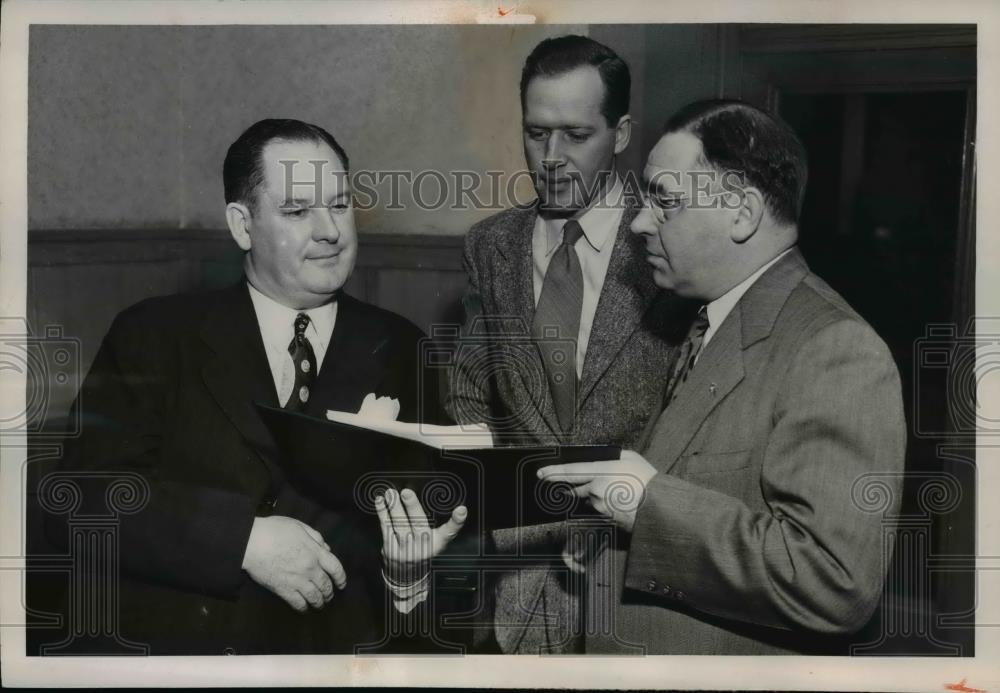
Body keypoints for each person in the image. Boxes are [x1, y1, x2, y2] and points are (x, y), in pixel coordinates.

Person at [44, 118, 463, 655]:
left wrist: (407, 577)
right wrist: (240, 539)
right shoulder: (154, 333)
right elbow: (78, 501)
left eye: (339, 204)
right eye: (296, 211)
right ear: (243, 226)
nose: (330, 231)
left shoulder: (402, 346)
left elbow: (432, 532)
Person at [539, 99, 907, 654]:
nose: (639, 223)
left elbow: (836, 582)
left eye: (665, 201)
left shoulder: (836, 349)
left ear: (742, 212)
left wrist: (647, 507)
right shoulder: (704, 316)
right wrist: (612, 538)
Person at [445, 35, 677, 654]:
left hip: (638, 575)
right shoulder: (489, 245)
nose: (551, 156)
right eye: (536, 132)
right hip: (515, 573)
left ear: (621, 133)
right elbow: (470, 387)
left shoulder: (673, 244)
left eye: (576, 135)